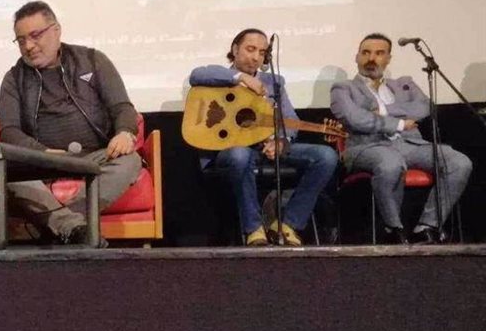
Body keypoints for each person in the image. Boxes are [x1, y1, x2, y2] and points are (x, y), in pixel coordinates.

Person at [0, 0, 141, 245]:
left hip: (95, 157)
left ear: (56, 30)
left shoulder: (93, 60)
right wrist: (40, 153)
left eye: (35, 36)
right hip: (41, 162)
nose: (28, 46)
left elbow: (122, 107)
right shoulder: (14, 79)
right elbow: (9, 131)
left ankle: (65, 225)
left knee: (130, 161)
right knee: (9, 173)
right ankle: (74, 229)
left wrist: (125, 132)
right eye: (21, 40)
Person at [189, 28, 338, 246]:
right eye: (250, 49)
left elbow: (290, 119)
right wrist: (241, 78)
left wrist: (281, 141)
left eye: (261, 52)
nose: (256, 57)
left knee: (326, 156)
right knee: (240, 155)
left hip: (265, 148)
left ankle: (288, 224)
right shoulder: (218, 77)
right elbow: (197, 74)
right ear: (235, 49)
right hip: (232, 151)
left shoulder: (274, 83)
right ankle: (254, 229)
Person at [329, 33, 473, 244]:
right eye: (366, 53)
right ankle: (393, 229)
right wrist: (399, 123)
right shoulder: (343, 89)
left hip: (410, 144)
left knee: (459, 162)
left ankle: (427, 227)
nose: (371, 58)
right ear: (357, 57)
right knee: (391, 163)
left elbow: (425, 108)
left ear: (388, 58)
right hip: (367, 147)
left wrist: (383, 110)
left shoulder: (404, 84)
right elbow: (355, 118)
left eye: (379, 53)